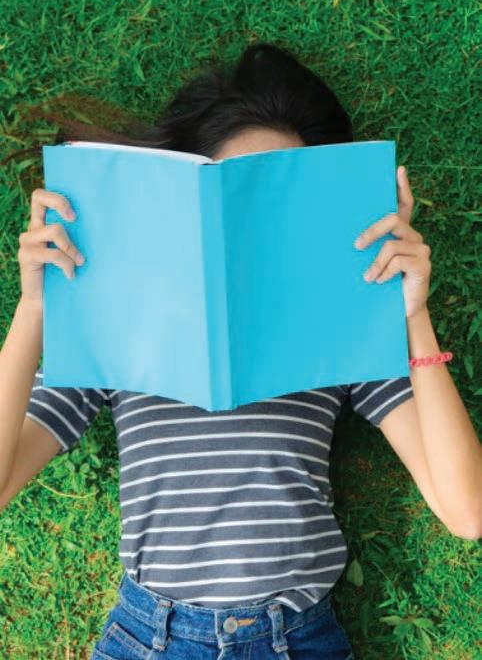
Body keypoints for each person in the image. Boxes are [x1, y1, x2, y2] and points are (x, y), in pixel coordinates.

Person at [1, 42, 480, 660]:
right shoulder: (119, 322)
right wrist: (35, 311)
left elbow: (467, 512)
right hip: (151, 638)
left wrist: (413, 316)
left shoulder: (335, 327)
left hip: (297, 640)